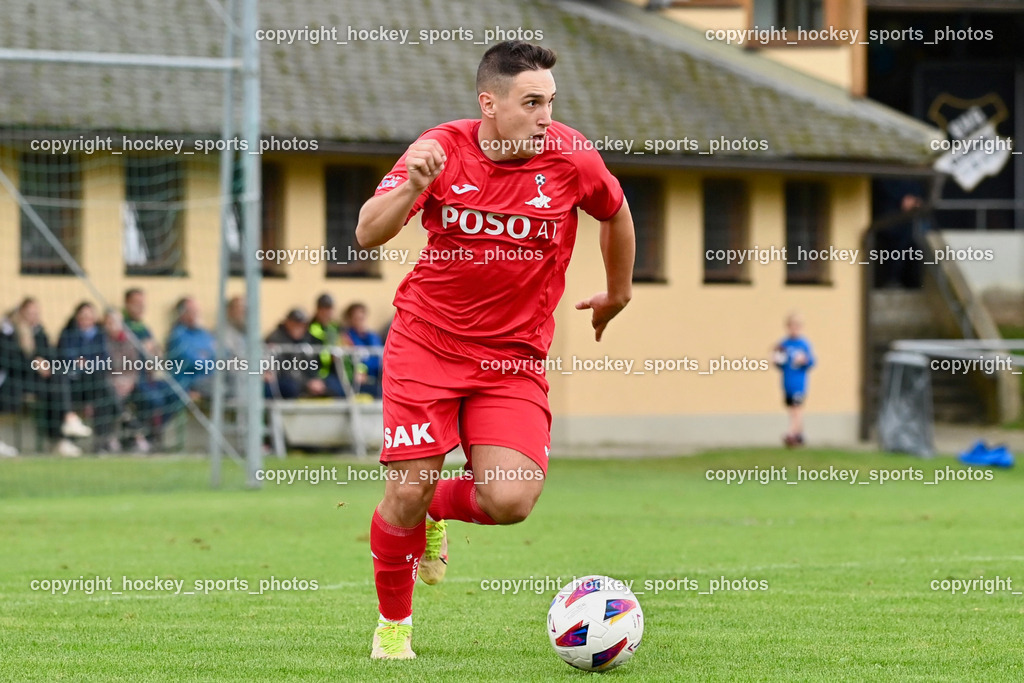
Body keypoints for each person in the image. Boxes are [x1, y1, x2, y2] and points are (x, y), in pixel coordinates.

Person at [355, 41, 635, 659]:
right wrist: (411, 189)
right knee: (406, 490)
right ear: (490, 103)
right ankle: (394, 629)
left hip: (512, 358)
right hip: (426, 342)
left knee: (510, 500)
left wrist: (618, 293)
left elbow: (615, 212)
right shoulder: (439, 150)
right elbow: (367, 231)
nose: (546, 116)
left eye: (551, 102)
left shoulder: (571, 156)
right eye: (532, 102)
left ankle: (437, 510)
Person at [0, 297, 92, 456]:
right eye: (30, 313)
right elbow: (9, 361)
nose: (33, 316)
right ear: (21, 313)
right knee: (57, 383)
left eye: (36, 313)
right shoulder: (11, 333)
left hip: (37, 381)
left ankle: (64, 431)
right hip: (17, 381)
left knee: (58, 378)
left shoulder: (39, 332)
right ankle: (64, 431)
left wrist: (44, 362)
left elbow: (51, 353)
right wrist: (33, 362)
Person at [57, 302, 118, 453]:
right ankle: (122, 414)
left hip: (94, 384)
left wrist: (89, 363)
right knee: (104, 390)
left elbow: (105, 361)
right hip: (73, 384)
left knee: (103, 394)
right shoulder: (68, 334)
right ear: (77, 317)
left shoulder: (100, 335)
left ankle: (101, 442)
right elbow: (63, 356)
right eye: (83, 316)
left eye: (90, 316)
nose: (87, 319)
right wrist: (77, 362)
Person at [773, 312, 816, 447]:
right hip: (787, 383)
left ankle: (791, 433)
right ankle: (799, 437)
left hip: (799, 383)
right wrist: (776, 359)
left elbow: (812, 362)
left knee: (797, 409)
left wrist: (804, 360)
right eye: (792, 326)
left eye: (797, 326)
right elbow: (778, 363)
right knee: (792, 409)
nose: (794, 328)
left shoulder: (804, 344)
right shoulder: (783, 344)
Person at [263, 309, 327, 399]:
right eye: (296, 323)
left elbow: (311, 364)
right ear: (288, 323)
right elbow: (283, 369)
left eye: (302, 325)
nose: (299, 327)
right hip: (283, 381)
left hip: (301, 381)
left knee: (330, 386)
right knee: (290, 387)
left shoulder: (307, 339)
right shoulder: (276, 338)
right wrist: (307, 383)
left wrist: (315, 380)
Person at [166, 296, 217, 401]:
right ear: (182, 313)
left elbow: (220, 353)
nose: (196, 314)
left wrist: (205, 356)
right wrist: (208, 356)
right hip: (188, 383)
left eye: (197, 311)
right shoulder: (177, 335)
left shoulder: (203, 333)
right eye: (192, 311)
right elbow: (193, 361)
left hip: (208, 379)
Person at [342, 302, 384, 398]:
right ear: (350, 320)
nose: (360, 321)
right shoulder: (346, 338)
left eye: (362, 318)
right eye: (356, 319)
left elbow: (378, 359)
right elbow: (348, 362)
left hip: (375, 378)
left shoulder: (373, 337)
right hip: (355, 381)